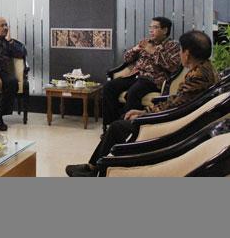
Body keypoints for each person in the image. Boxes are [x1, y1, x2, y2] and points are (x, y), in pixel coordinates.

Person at [66, 30, 219, 177]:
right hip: (175, 117)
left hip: (172, 127)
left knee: (117, 127)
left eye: (181, 50)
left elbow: (176, 107)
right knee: (114, 98)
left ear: (187, 53)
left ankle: (94, 169)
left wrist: (145, 114)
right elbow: (179, 100)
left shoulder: (198, 75)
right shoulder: (205, 69)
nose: (179, 54)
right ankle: (92, 166)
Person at [103, 16, 181, 127]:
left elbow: (172, 66)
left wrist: (152, 51)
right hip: (135, 76)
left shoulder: (173, 45)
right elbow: (127, 59)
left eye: (155, 27)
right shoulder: (146, 42)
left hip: (153, 79)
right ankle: (111, 124)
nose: (151, 30)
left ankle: (128, 127)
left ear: (165, 30)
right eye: (150, 27)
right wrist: (134, 50)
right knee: (109, 87)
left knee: (133, 92)